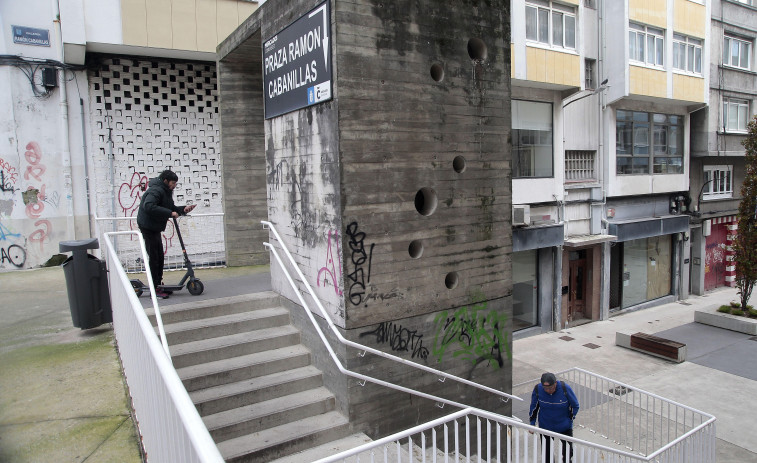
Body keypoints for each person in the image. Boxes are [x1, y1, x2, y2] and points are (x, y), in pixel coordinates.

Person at [136, 170, 196, 298]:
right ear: (165, 181)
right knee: (154, 257)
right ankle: (154, 287)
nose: (174, 185)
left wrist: (183, 209)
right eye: (173, 183)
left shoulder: (166, 192)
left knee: (159, 256)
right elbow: (149, 206)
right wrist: (170, 214)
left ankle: (158, 284)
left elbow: (171, 208)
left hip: (154, 228)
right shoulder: (156, 191)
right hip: (148, 227)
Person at [529, 372, 580, 462]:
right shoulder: (538, 389)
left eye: (551, 387)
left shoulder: (565, 388)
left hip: (564, 427)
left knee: (568, 453)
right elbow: (534, 407)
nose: (548, 390)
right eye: (545, 388)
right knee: (547, 455)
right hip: (545, 427)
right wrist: (532, 424)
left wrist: (569, 420)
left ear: (555, 383)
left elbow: (575, 405)